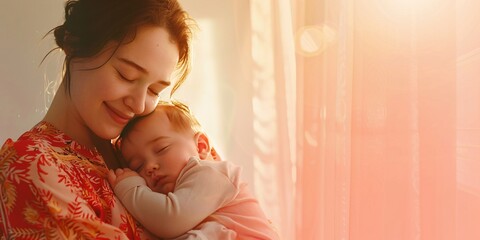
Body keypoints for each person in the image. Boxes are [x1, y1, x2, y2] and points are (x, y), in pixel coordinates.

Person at [0, 0, 237, 239]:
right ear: (73, 44)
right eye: (126, 75)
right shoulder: (33, 165)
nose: (139, 104)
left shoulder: (145, 151)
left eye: (155, 90)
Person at [108, 100, 281, 240]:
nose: (149, 167)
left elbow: (170, 220)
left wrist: (130, 188)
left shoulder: (211, 174)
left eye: (161, 149)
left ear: (200, 146)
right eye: (137, 166)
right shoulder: (178, 195)